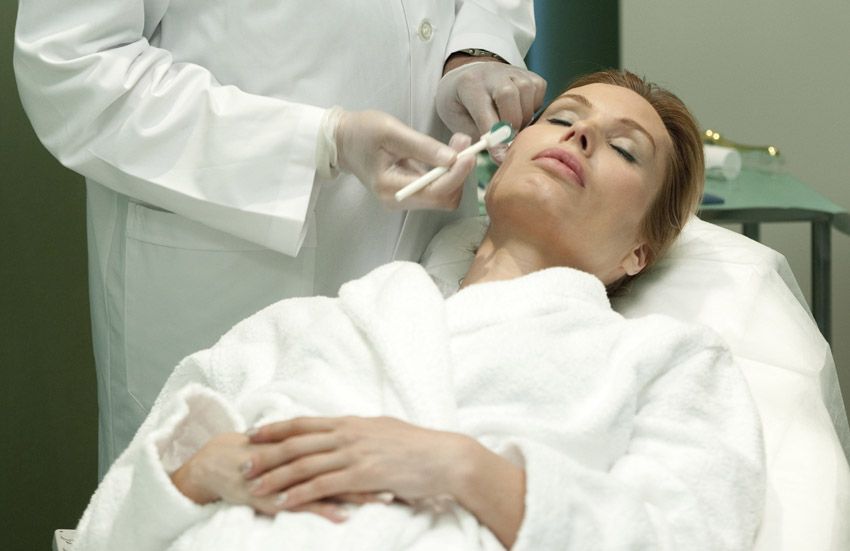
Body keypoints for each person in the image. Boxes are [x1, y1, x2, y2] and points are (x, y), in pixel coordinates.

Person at [72, 70, 765, 550]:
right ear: (503, 156)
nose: (580, 137)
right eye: (562, 118)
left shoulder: (666, 363)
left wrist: (462, 469)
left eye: (623, 148)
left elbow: (683, 534)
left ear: (638, 253)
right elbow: (107, 524)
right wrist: (200, 474)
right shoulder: (315, 322)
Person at [13, 1, 547, 473]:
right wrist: (318, 142)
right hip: (235, 273)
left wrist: (476, 49)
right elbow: (71, 65)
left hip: (424, 256)